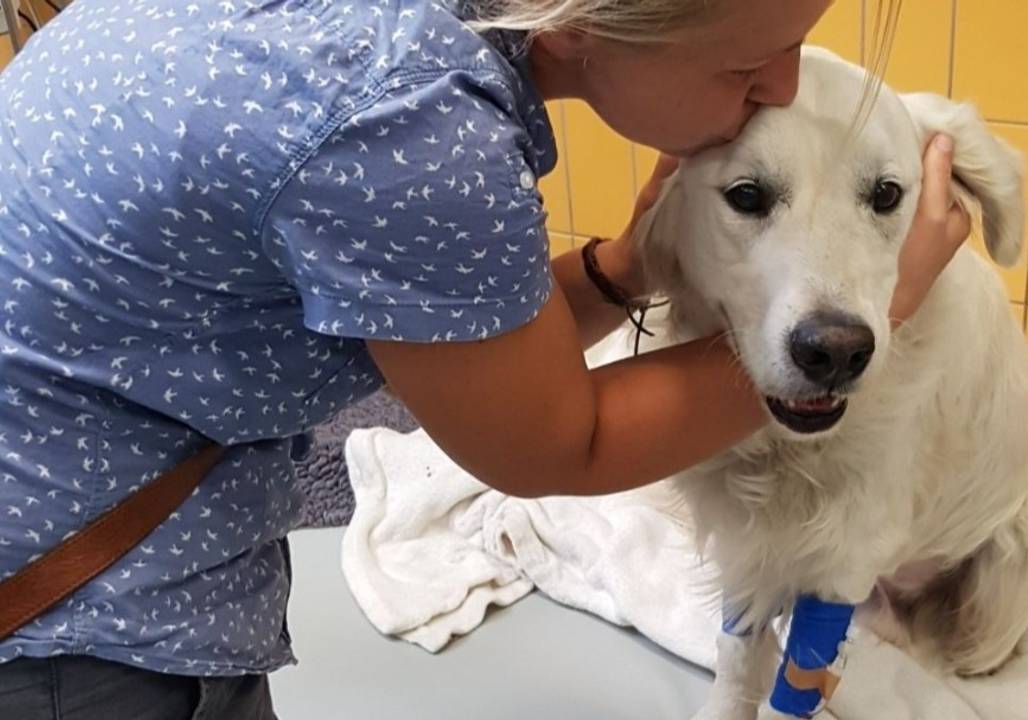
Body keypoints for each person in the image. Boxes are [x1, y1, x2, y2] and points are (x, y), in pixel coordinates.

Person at [0, 0, 970, 716]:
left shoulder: (377, 38)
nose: (786, 88)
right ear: (591, 22)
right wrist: (892, 297)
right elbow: (563, 445)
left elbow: (469, 343)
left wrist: (623, 271)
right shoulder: (414, 131)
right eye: (753, 60)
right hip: (80, 613)